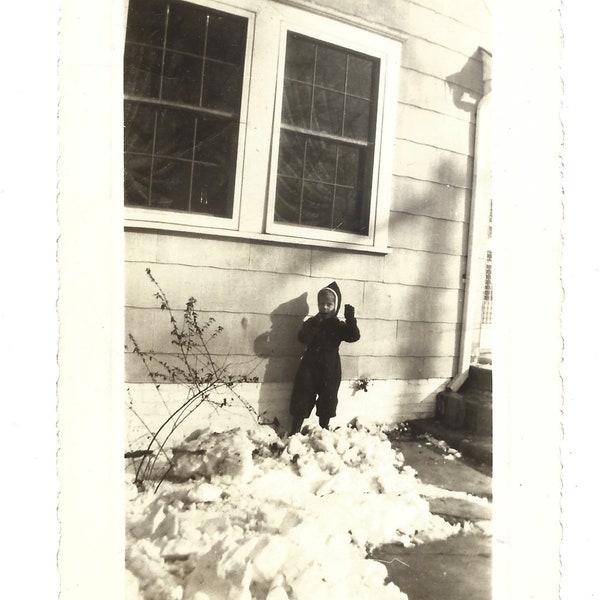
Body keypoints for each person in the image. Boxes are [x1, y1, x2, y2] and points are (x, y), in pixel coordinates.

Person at [289, 281, 360, 435]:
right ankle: (294, 430)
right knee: (303, 394)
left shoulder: (338, 325)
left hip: (330, 366)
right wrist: (314, 324)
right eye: (322, 304)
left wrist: (350, 319)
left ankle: (323, 430)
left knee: (328, 397)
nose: (325, 307)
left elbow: (353, 336)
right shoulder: (312, 322)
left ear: (336, 305)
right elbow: (303, 338)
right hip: (309, 365)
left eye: (329, 304)